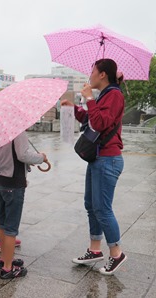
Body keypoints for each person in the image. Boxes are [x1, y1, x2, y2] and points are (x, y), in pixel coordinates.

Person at [62, 58, 127, 275]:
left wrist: (89, 98)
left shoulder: (115, 95)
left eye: (92, 71)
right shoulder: (106, 95)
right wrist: (75, 108)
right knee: (91, 204)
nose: (89, 75)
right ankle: (95, 249)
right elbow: (92, 120)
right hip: (98, 158)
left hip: (108, 159)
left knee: (102, 209)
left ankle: (116, 253)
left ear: (102, 75)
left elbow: (100, 123)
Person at [0, 132, 46, 279]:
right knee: (11, 228)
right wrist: (41, 157)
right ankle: (8, 269)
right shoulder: (17, 131)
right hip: (13, 184)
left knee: (3, 223)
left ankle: (4, 258)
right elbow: (23, 155)